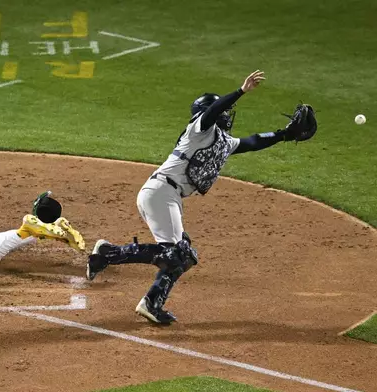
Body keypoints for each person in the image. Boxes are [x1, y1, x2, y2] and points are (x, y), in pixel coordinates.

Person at [86, 70, 315, 324]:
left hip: (170, 197)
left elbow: (252, 142)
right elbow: (214, 111)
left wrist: (283, 133)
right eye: (224, 112)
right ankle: (127, 277)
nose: (227, 116)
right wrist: (241, 91)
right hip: (159, 192)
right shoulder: (198, 129)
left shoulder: (223, 141)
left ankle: (124, 271)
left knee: (182, 255)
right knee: (175, 254)